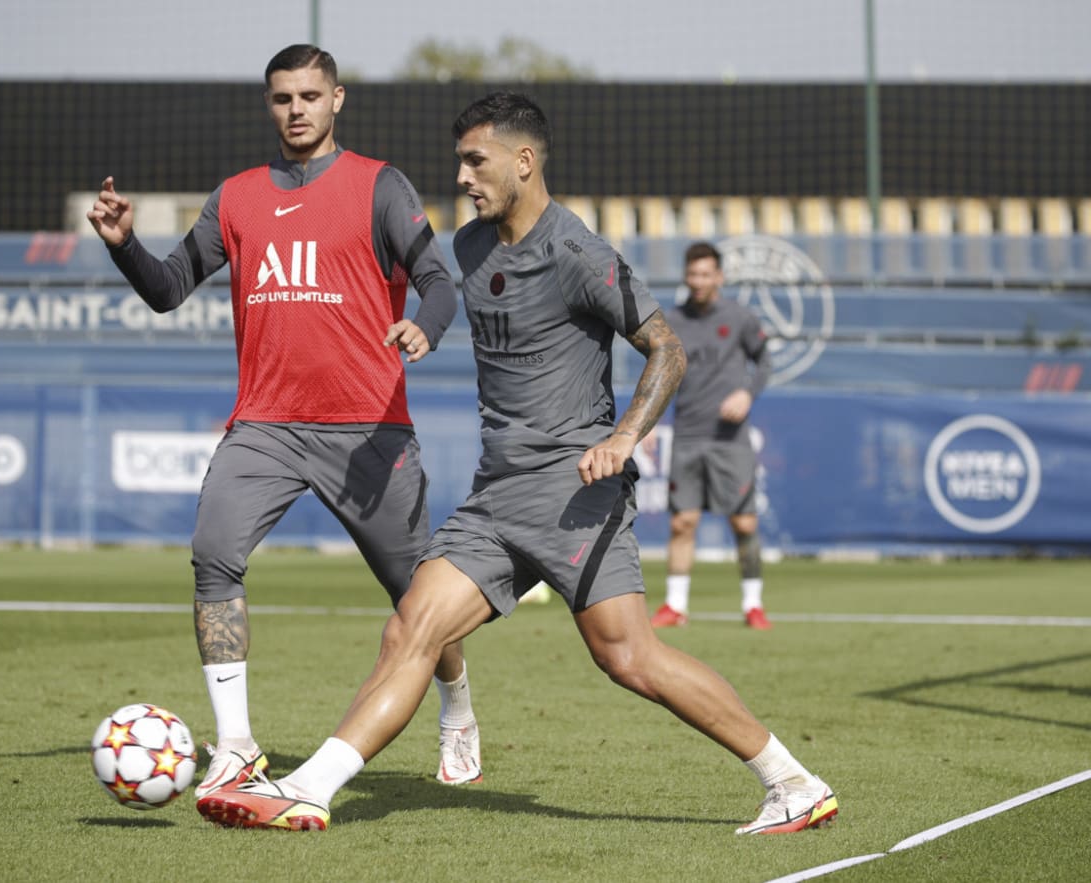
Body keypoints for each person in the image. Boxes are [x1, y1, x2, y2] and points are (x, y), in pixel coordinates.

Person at [198, 91, 837, 836]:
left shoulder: (578, 252)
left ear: (524, 160)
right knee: (411, 629)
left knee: (629, 658)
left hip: (576, 495)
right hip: (495, 499)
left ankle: (791, 780)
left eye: (477, 160)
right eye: (460, 161)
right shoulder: (466, 249)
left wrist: (625, 438)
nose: (464, 175)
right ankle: (309, 788)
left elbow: (667, 346)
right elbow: (388, 281)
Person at [85, 44, 484, 804]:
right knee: (213, 554)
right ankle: (234, 745)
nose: (295, 109)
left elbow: (437, 280)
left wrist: (425, 326)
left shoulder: (379, 185)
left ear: (338, 100)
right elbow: (169, 289)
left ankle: (457, 704)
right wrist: (125, 246)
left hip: (369, 428)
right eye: (281, 98)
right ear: (269, 105)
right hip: (264, 422)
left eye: (309, 95)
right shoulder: (235, 197)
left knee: (419, 599)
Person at [650, 242, 774, 631]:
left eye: (706, 274)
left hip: (729, 440)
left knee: (744, 524)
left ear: (719, 277)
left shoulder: (739, 318)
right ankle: (675, 605)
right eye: (692, 275)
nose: (698, 282)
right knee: (682, 523)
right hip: (687, 436)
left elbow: (766, 360)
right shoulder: (672, 322)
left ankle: (753, 605)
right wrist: (649, 421)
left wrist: (747, 393)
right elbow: (660, 375)